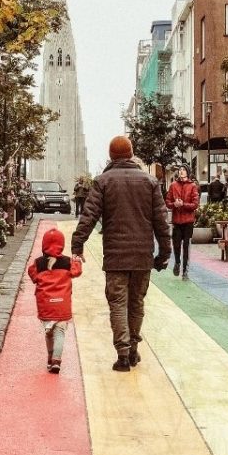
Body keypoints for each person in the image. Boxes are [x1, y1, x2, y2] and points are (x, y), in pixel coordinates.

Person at [72, 135, 171, 372]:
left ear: (111, 156)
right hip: (142, 256)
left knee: (117, 303)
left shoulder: (103, 181)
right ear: (130, 153)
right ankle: (134, 349)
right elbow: (161, 220)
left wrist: (78, 244)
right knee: (136, 303)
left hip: (115, 257)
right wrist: (164, 252)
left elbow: (89, 216)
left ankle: (123, 354)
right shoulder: (149, 182)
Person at [27, 228, 83, 374]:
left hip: (45, 306)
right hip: (62, 305)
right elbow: (76, 271)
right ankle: (56, 360)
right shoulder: (67, 262)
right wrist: (77, 260)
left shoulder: (38, 264)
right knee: (60, 332)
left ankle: (50, 357)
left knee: (49, 333)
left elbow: (32, 274)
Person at [166, 166, 200, 279]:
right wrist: (174, 204)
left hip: (188, 222)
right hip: (176, 221)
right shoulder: (173, 185)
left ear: (188, 173)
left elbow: (195, 204)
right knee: (176, 245)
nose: (181, 171)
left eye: (184, 170)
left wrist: (183, 204)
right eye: (180, 170)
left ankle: (185, 271)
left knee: (186, 246)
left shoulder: (192, 186)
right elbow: (167, 202)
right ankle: (177, 262)